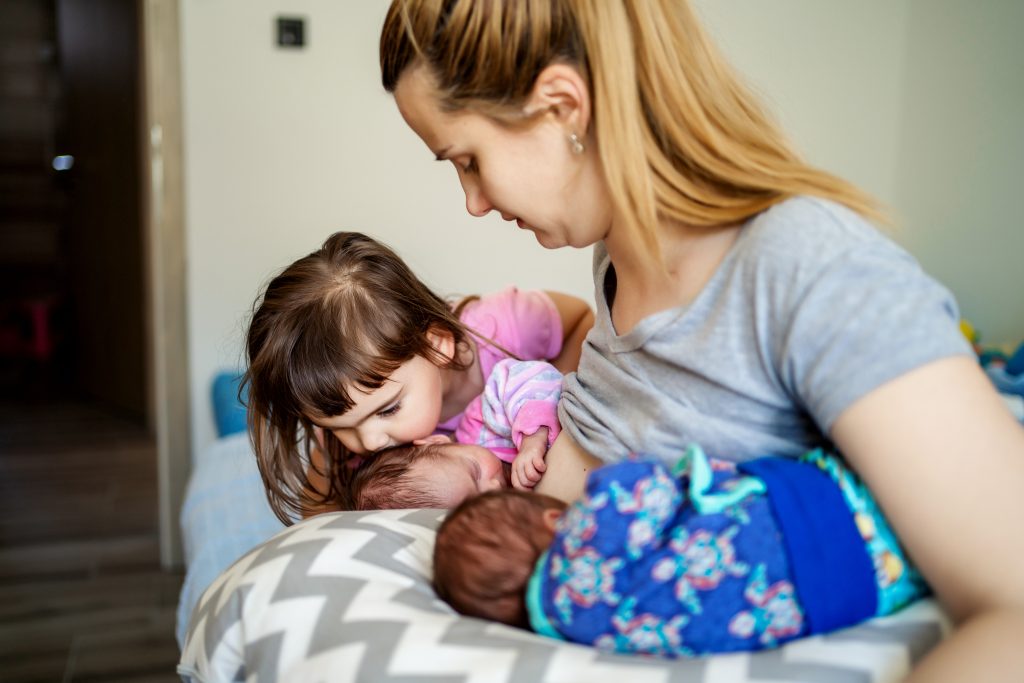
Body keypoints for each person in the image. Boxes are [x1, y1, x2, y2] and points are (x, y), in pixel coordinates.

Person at [379, 0, 1024, 678]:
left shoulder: (805, 268)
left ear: (564, 107)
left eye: (469, 160)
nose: (473, 202)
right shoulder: (617, 263)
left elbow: (1012, 597)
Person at [433, 445, 928, 656]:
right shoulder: (577, 558)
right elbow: (639, 482)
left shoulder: (582, 635)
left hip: (854, 596)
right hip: (818, 520)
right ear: (554, 519)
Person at [244, 231, 593, 522]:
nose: (369, 442)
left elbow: (579, 317)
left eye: (387, 410)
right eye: (339, 428)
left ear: (438, 346)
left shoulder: (503, 327)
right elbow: (319, 518)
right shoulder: (349, 414)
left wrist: (561, 402)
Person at [351, 358, 563, 509]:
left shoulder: (480, 424)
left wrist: (532, 439)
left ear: (438, 441)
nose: (494, 487)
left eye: (476, 473)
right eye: (478, 503)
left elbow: (529, 375)